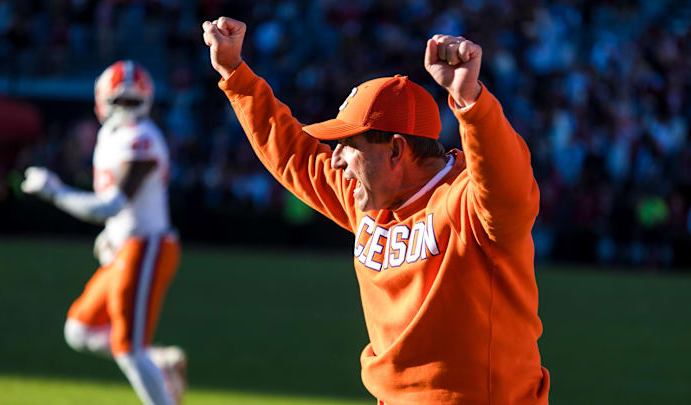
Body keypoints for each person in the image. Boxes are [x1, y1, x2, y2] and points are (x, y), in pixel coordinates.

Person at [203, 16, 550, 405]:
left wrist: (471, 101)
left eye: (347, 145)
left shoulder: (470, 205)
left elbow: (509, 184)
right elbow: (292, 151)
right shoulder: (368, 197)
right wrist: (234, 71)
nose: (335, 161)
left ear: (397, 151)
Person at [21, 61, 187, 405]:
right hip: (126, 246)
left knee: (129, 350)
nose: (124, 109)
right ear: (102, 101)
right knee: (79, 330)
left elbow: (110, 205)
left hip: (147, 246)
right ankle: (159, 364)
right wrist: (113, 234)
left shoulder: (142, 139)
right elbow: (119, 211)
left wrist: (54, 192)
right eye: (119, 101)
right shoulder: (109, 135)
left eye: (132, 101)